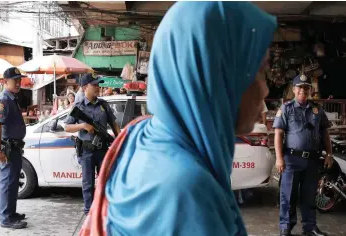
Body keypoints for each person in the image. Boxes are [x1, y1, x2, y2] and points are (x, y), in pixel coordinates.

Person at [79, 2, 276, 236]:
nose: (265, 90)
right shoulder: (186, 194)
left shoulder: (142, 133)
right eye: (258, 70)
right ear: (214, 74)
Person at [273, 74, 333, 236]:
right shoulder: (286, 108)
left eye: (306, 88)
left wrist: (329, 154)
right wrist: (279, 158)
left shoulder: (317, 110)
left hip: (312, 160)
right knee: (288, 195)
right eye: (300, 87)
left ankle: (310, 227)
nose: (303, 91)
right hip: (291, 160)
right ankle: (285, 227)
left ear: (310, 90)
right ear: (293, 89)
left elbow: (325, 132)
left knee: (309, 196)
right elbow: (278, 134)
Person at [65, 73, 121, 215]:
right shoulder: (78, 107)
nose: (97, 87)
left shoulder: (103, 105)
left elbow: (114, 125)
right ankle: (89, 211)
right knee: (88, 184)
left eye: (98, 84)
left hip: (103, 150)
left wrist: (120, 140)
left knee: (106, 181)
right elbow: (67, 127)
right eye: (94, 85)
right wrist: (83, 126)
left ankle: (105, 209)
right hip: (87, 151)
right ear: (85, 87)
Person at [0, 67, 27, 229]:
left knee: (13, 183)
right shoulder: (3, 100)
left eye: (20, 80)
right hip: (8, 148)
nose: (19, 83)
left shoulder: (12, 98)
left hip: (15, 148)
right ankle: (6, 218)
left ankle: (11, 213)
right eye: (15, 80)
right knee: (7, 183)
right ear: (5, 82)